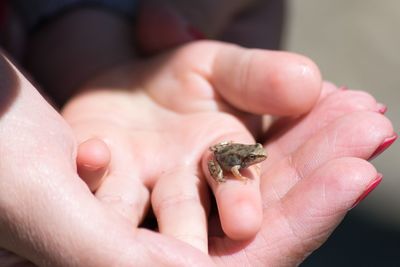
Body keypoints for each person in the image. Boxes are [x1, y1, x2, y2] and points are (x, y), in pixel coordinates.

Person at [0, 1, 396, 266]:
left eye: (257, 158)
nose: (257, 161)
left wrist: (89, 33)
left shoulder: (247, 156)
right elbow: (225, 162)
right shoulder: (238, 160)